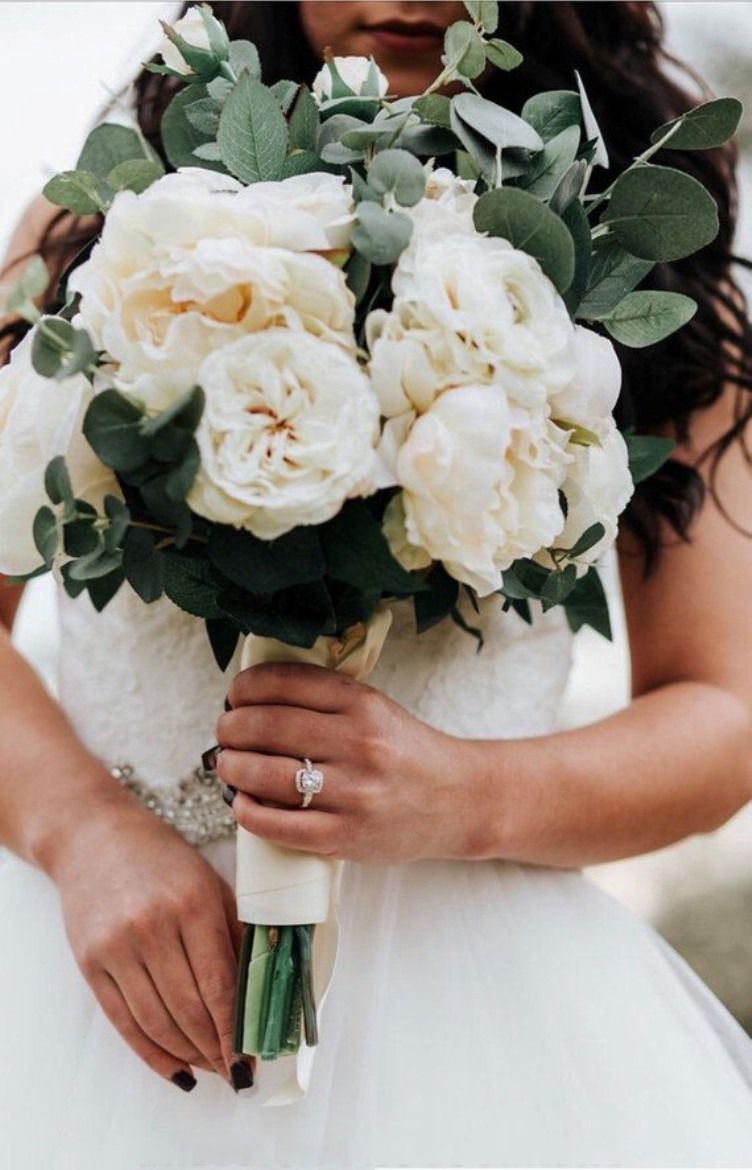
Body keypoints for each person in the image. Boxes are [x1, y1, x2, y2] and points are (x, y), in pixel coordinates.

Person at [1, 3, 751, 1167]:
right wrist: (81, 832)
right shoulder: (102, 226)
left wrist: (468, 796)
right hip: (94, 960)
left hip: (481, 1014)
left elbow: (721, 716)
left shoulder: (646, 276)